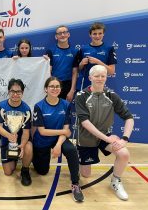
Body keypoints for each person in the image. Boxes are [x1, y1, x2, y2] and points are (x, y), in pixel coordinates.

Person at [75, 65, 134, 201]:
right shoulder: (81, 96)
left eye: (103, 76)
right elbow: (85, 123)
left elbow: (129, 118)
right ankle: (79, 160)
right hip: (86, 138)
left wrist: (124, 139)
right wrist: (108, 139)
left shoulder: (111, 95)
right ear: (90, 78)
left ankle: (115, 181)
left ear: (107, 77)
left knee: (124, 154)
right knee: (85, 175)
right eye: (97, 76)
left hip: (105, 136)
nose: (100, 79)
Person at [32, 77, 84, 202]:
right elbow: (42, 131)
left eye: (57, 86)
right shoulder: (39, 106)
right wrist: (63, 132)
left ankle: (75, 184)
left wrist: (58, 145)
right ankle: (35, 156)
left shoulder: (66, 105)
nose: (54, 89)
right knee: (42, 171)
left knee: (71, 150)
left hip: (58, 139)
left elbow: (66, 129)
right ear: (46, 89)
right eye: (51, 86)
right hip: (42, 139)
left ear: (60, 89)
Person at [0, 79, 33, 186]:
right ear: (8, 92)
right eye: (12, 91)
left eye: (18, 92)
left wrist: (22, 145)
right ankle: (15, 158)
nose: (15, 94)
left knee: (29, 147)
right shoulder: (1, 106)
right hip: (7, 140)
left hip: (21, 140)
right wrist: (9, 136)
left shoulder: (26, 109)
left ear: (22, 93)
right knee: (8, 172)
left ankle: (25, 170)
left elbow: (26, 132)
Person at [77, 22, 117, 91]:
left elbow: (111, 71)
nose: (97, 36)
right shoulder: (83, 49)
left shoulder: (109, 48)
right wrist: (81, 63)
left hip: (101, 87)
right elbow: (78, 70)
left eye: (100, 33)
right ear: (90, 35)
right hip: (85, 86)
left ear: (103, 34)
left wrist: (98, 62)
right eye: (94, 34)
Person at [44, 25, 79, 102]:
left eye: (64, 32)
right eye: (59, 33)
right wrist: (50, 87)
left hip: (68, 85)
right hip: (54, 85)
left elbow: (75, 72)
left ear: (68, 34)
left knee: (65, 110)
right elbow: (48, 71)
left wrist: (72, 90)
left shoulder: (75, 52)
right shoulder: (50, 51)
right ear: (56, 37)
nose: (62, 35)